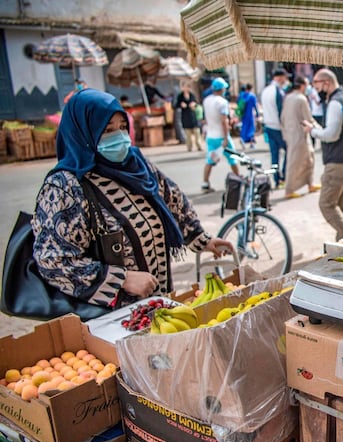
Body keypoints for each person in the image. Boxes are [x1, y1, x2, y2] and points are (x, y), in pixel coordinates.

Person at [31, 89, 232, 310]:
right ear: (83, 133)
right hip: (112, 318)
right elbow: (53, 260)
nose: (119, 137)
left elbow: (173, 201)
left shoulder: (136, 165)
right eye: (107, 131)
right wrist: (121, 279)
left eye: (122, 127)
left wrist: (202, 240)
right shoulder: (65, 187)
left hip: (159, 304)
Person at [303, 69, 343, 242]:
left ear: (326, 82)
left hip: (338, 163)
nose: (315, 89)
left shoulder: (336, 102)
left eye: (316, 84)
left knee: (326, 204)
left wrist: (313, 131)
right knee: (342, 206)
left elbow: (332, 134)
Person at [281, 75, 319, 199]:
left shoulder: (288, 97)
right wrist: (320, 129)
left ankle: (310, 183)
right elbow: (308, 118)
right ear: (302, 85)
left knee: (309, 158)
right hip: (300, 135)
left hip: (292, 134)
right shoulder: (301, 99)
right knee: (295, 162)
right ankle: (289, 189)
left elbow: (283, 118)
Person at [202, 77, 240, 193]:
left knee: (210, 160)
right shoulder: (222, 102)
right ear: (222, 89)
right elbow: (224, 121)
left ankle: (205, 183)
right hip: (221, 135)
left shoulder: (206, 100)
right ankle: (238, 179)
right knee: (233, 158)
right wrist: (225, 137)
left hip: (211, 135)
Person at [261, 68, 289, 187]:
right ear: (280, 77)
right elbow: (281, 111)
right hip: (278, 127)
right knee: (289, 150)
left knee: (274, 155)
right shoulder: (278, 91)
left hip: (268, 126)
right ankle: (284, 176)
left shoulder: (265, 90)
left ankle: (277, 179)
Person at [176, 82, 203, 152]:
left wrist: (194, 104)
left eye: (187, 87)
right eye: (184, 87)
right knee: (188, 134)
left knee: (197, 132)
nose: (185, 88)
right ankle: (189, 147)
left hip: (193, 115)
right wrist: (181, 105)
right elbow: (176, 105)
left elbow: (197, 103)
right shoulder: (180, 96)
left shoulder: (192, 95)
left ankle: (199, 146)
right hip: (185, 116)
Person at [238, 83, 260, 150]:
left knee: (244, 127)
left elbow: (238, 103)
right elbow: (255, 105)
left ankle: (242, 139)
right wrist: (257, 113)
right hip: (250, 115)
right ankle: (251, 144)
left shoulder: (241, 95)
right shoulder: (252, 96)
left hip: (243, 115)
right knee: (251, 129)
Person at [307, 84, 325, 148]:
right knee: (312, 129)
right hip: (313, 113)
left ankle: (323, 145)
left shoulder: (321, 92)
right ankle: (313, 145)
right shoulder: (311, 90)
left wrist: (314, 99)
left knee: (322, 129)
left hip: (320, 113)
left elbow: (319, 102)